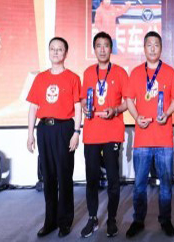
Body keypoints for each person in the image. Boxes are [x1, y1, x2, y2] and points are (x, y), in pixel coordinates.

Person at [124, 31, 174, 238]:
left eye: (156, 44)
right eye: (149, 44)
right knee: (139, 185)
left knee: (165, 185)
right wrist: (136, 116)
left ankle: (165, 220)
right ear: (144, 48)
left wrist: (167, 113)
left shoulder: (169, 71)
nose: (152, 48)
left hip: (164, 140)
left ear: (161, 48)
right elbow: (129, 99)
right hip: (142, 140)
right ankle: (138, 220)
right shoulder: (136, 72)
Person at [26, 37, 82, 238]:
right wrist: (30, 134)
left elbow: (77, 107)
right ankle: (50, 221)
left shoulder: (73, 78)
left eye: (59, 49)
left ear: (65, 53)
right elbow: (33, 107)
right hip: (44, 130)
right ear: (48, 52)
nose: (56, 52)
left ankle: (65, 221)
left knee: (64, 176)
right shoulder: (40, 78)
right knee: (48, 177)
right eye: (52, 49)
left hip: (64, 129)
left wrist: (76, 132)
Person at [79, 32, 129, 238]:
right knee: (91, 179)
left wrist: (115, 110)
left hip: (112, 133)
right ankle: (92, 218)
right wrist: (85, 106)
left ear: (111, 49)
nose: (102, 49)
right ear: (94, 49)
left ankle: (112, 219)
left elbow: (128, 102)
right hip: (92, 133)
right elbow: (83, 99)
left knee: (113, 180)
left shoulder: (120, 72)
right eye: (98, 45)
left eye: (106, 45)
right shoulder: (88, 72)